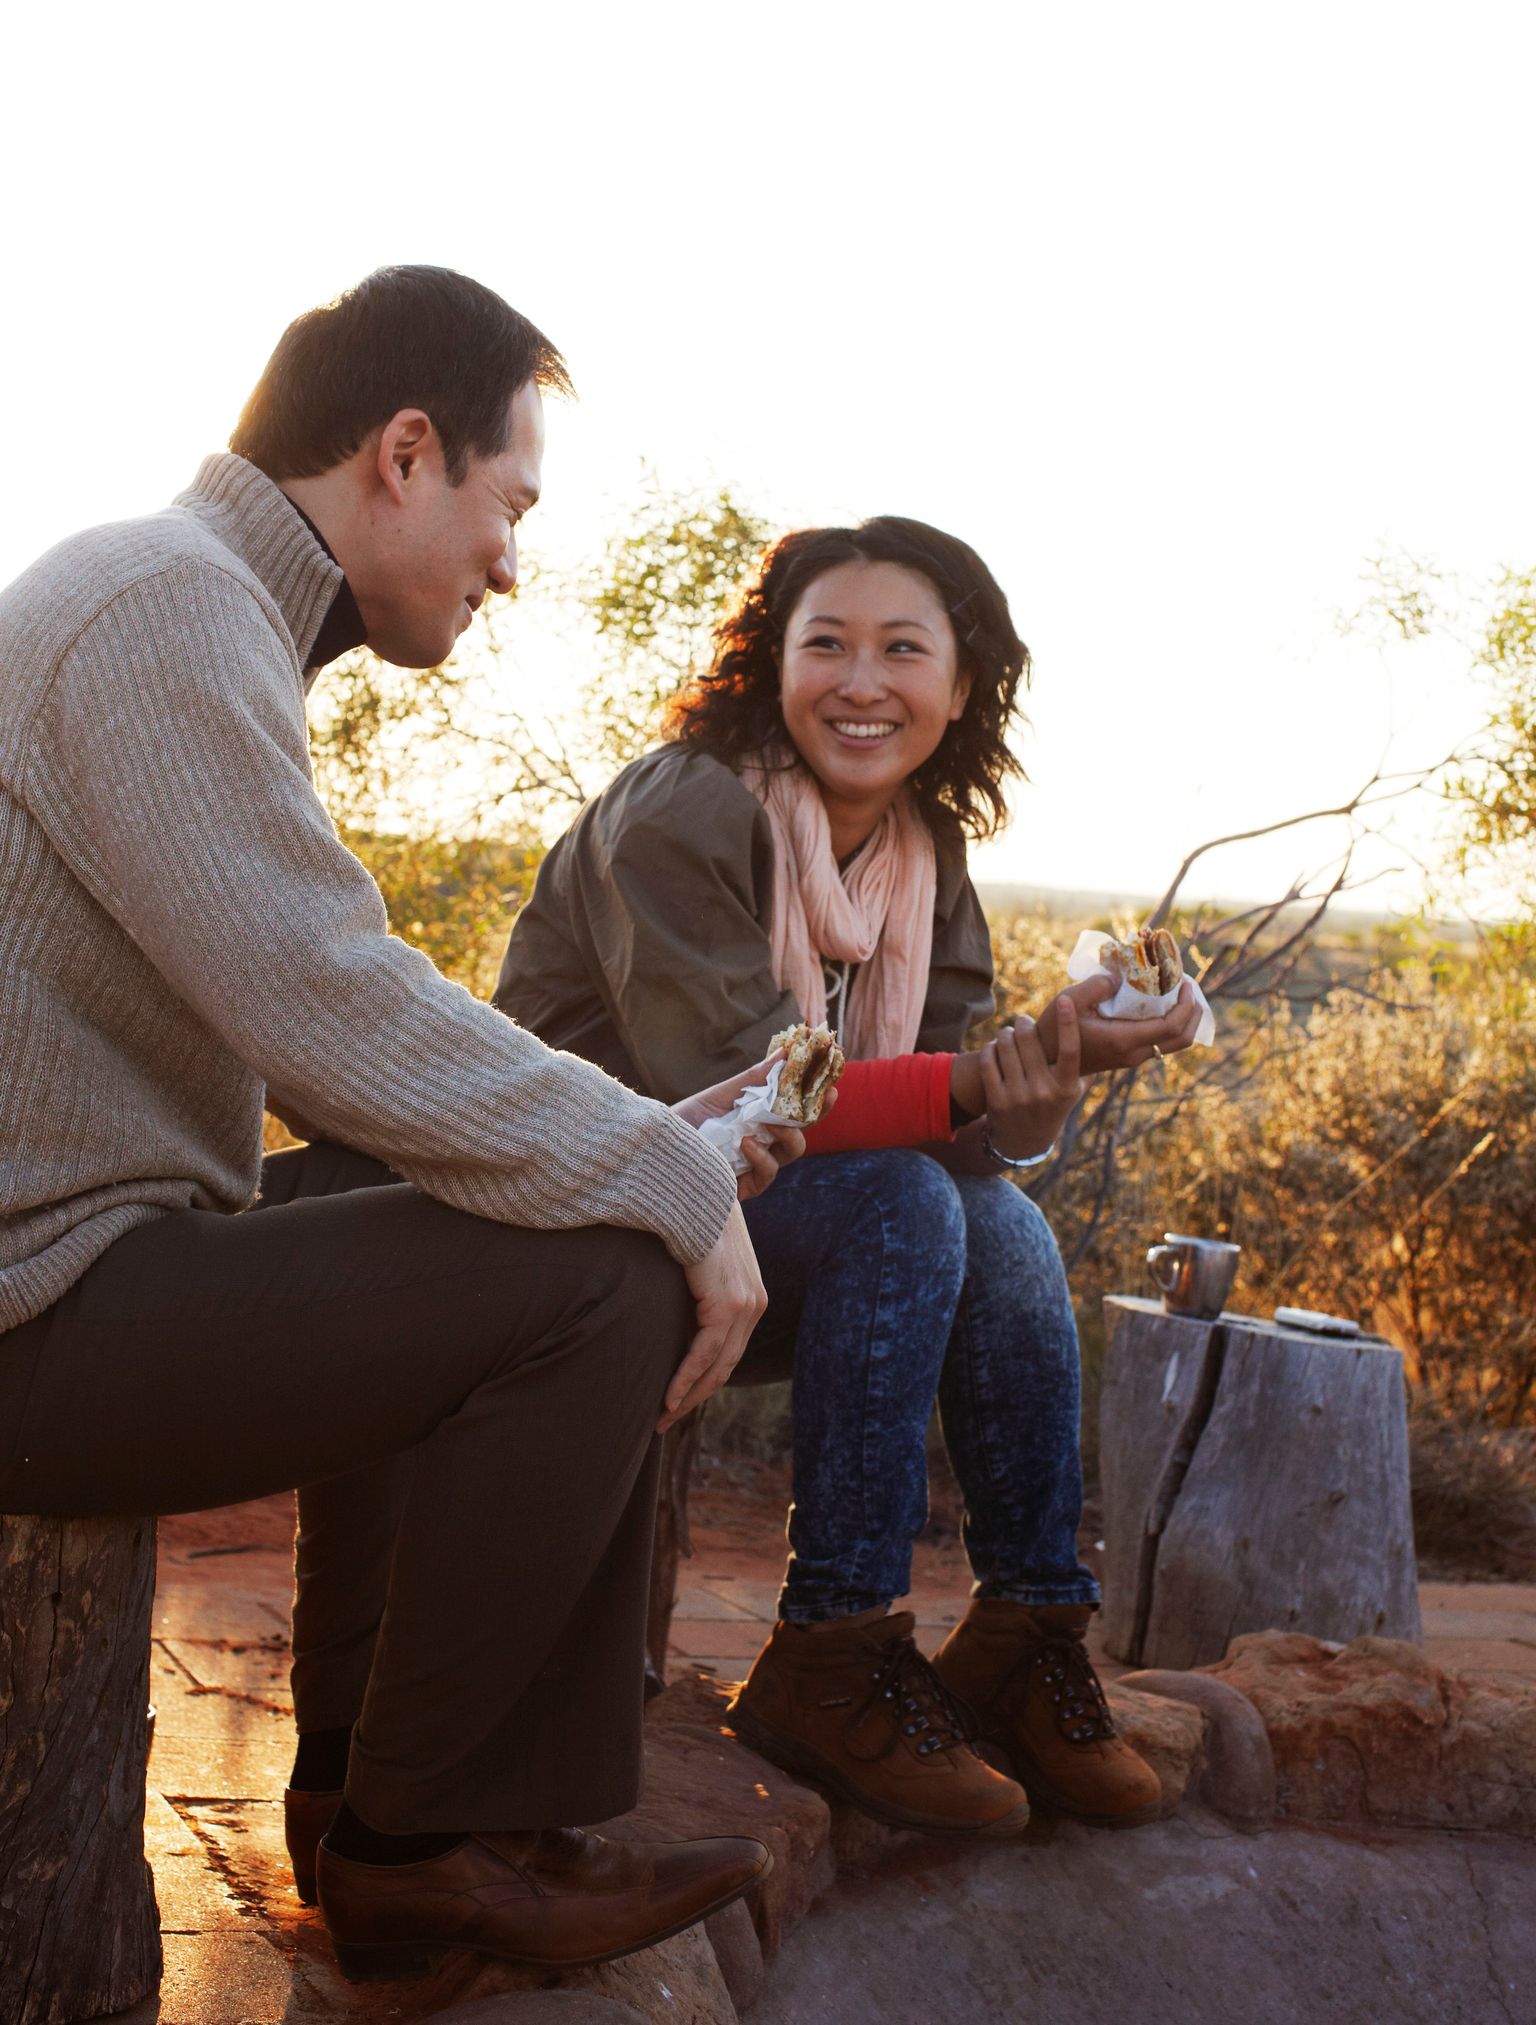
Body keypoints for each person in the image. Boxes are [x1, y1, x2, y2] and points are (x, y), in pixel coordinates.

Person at [0, 267, 801, 1987]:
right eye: (509, 504)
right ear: (406, 451)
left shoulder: (189, 599)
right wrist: (657, 1167)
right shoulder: (163, 605)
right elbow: (325, 1001)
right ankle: (427, 1852)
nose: (511, 560)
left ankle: (393, 1801)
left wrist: (635, 1123)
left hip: (82, 1262)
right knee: (608, 1268)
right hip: (33, 1313)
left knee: (478, 1180)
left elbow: (331, 1048)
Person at [495, 515, 1203, 1838]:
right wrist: (979, 1087)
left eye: (901, 649)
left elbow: (950, 1120)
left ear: (961, 683)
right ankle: (832, 1649)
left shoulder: (927, 863)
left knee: (995, 1221)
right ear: (773, 664)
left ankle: (1025, 1630)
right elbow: (740, 1096)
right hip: (590, 1206)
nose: (861, 681)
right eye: (824, 643)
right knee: (908, 1197)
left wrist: (1042, 1081)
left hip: (762, 1225)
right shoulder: (685, 808)